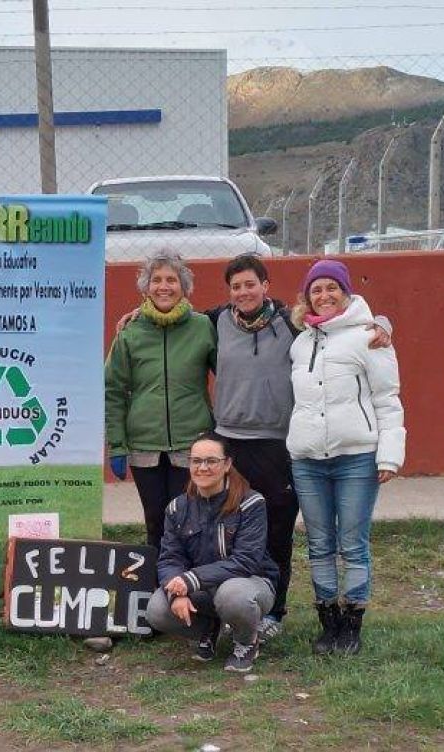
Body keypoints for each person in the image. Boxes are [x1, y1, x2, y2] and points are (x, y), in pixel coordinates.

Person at [117, 253, 390, 642]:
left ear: (265, 286)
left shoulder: (291, 323)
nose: (243, 292)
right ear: (228, 292)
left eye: (251, 284)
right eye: (236, 286)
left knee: (277, 529)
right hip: (231, 442)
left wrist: (382, 323)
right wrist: (136, 313)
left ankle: (272, 610)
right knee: (220, 529)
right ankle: (216, 606)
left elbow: (338, 324)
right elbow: (173, 313)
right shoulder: (215, 321)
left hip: (279, 444)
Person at [288, 259, 405, 656]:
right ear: (307, 297)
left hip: (356, 458)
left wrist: (389, 455)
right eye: (315, 290)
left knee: (353, 544)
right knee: (319, 544)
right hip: (307, 461)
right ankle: (329, 622)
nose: (324, 296)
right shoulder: (300, 342)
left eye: (331, 288)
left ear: (346, 293)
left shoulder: (369, 338)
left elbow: (387, 399)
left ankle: (353, 624)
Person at [104, 251, 217, 557]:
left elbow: (229, 373)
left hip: (192, 442)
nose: (163, 286)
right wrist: (117, 445)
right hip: (144, 446)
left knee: (191, 520)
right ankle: (158, 591)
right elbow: (113, 389)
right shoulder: (130, 331)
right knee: (155, 521)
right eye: (156, 280)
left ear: (184, 286)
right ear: (146, 287)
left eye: (171, 279)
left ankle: (192, 589)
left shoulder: (203, 326)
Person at [146, 431, 279, 673]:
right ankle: (208, 627)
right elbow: (169, 558)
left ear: (227, 464)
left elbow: (246, 561)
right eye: (196, 461)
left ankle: (247, 641)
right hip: (202, 589)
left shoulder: (251, 503)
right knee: (157, 609)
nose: (203, 468)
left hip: (251, 584)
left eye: (211, 461)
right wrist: (177, 592)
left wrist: (190, 579)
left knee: (232, 595)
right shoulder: (177, 507)